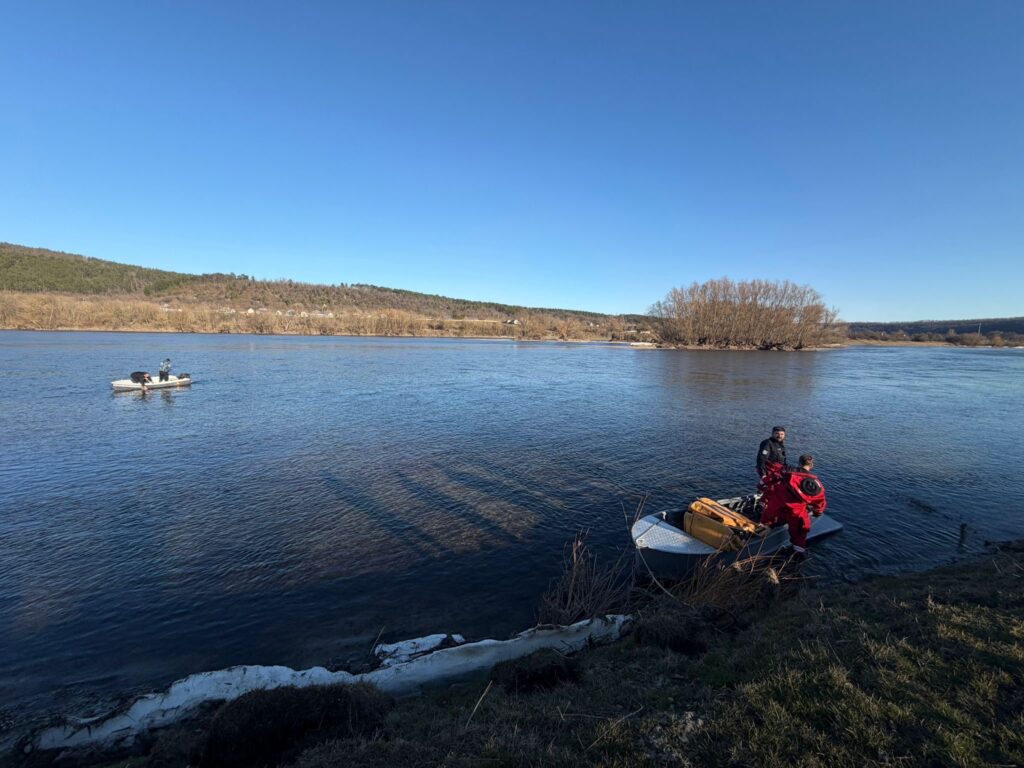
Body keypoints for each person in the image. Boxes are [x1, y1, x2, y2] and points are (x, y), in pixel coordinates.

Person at [760, 454, 827, 555]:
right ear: (812, 465)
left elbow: (769, 481)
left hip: (776, 507)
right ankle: (797, 555)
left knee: (767, 520)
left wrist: (762, 487)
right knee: (799, 534)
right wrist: (817, 512)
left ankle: (762, 532)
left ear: (799, 463)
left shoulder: (785, 472)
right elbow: (820, 502)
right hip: (796, 512)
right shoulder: (815, 484)